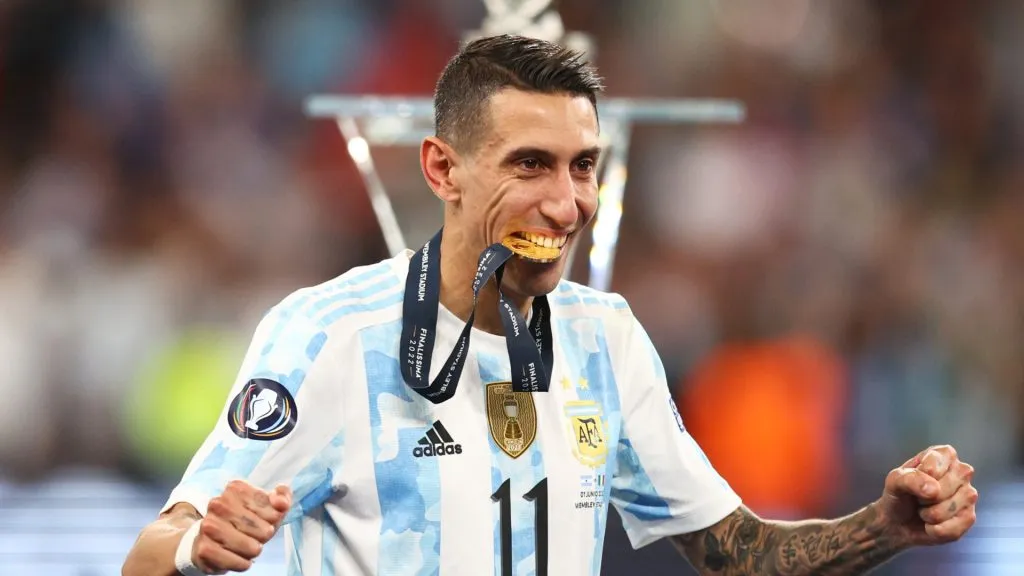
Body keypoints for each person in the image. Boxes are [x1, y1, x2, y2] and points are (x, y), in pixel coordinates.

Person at [122, 34, 978, 576]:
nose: (568, 204)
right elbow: (148, 555)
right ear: (443, 169)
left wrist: (885, 527)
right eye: (530, 164)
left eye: (583, 166)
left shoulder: (606, 340)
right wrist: (198, 544)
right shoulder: (330, 336)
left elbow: (740, 554)